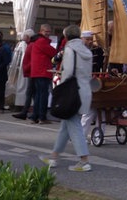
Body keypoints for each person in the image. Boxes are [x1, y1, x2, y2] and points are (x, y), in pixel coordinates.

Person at [39, 25, 93, 171]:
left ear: (66, 37)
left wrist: (60, 87)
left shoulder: (70, 50)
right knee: (66, 126)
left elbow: (68, 72)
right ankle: (54, 156)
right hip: (84, 90)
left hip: (71, 92)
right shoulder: (87, 51)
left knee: (74, 125)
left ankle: (84, 160)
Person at [80, 30, 105, 140]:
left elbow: (100, 65)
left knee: (101, 109)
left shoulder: (97, 50)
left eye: (91, 39)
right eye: (87, 39)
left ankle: (98, 136)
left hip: (95, 81)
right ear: (82, 39)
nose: (90, 42)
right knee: (89, 110)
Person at [29, 24, 57, 124]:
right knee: (43, 95)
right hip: (43, 71)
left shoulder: (38, 41)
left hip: (37, 72)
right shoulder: (42, 41)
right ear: (41, 31)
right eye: (46, 31)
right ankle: (42, 117)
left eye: (49, 32)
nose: (48, 34)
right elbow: (54, 53)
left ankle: (35, 117)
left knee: (38, 95)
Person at [12, 29, 37, 120]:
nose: (23, 39)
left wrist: (27, 67)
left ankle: (28, 111)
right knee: (31, 92)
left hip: (31, 71)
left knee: (31, 92)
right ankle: (27, 111)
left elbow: (32, 58)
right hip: (30, 70)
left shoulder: (32, 45)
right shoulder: (28, 44)